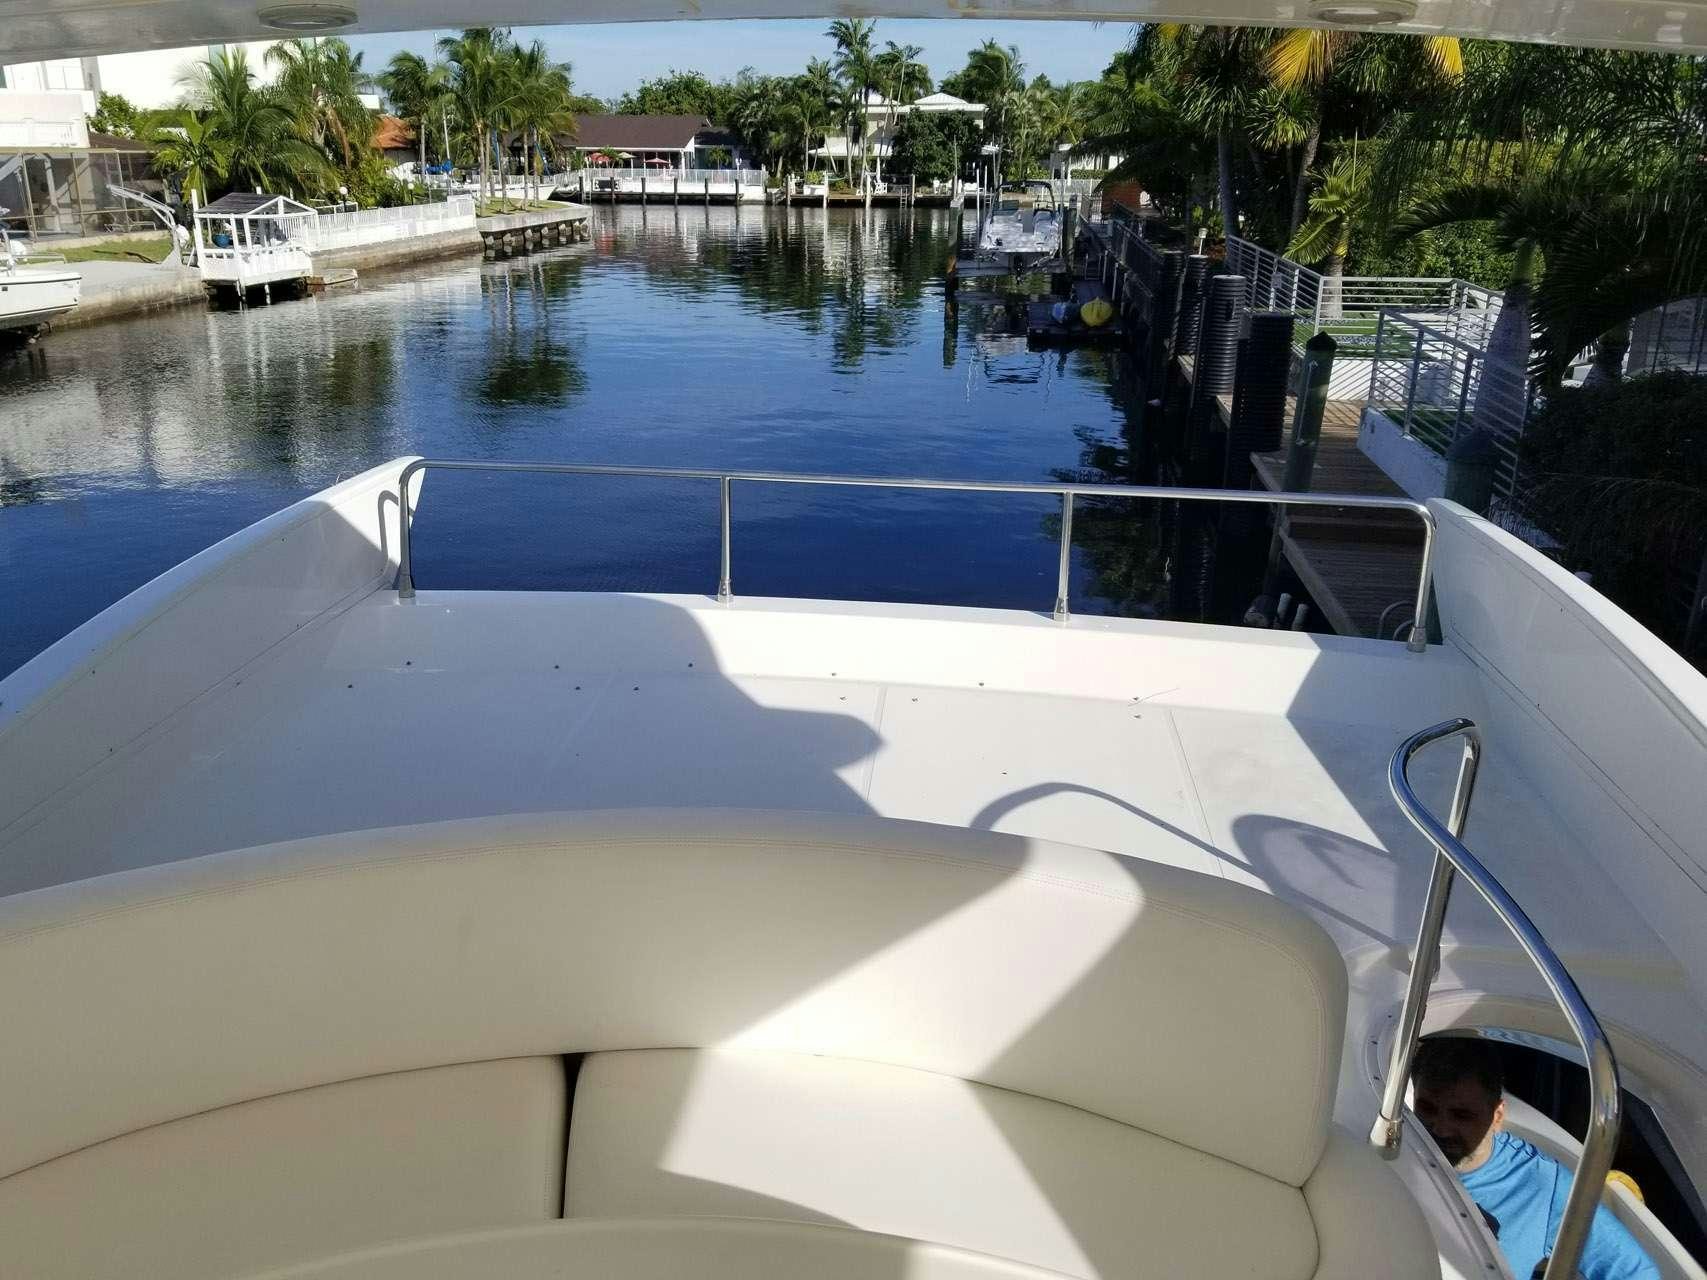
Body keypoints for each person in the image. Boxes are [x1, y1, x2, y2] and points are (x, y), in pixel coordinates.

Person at [1411, 1037, 1659, 1280]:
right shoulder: (1394, 1140)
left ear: (1497, 1116)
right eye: (1427, 1108)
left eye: (1461, 1115)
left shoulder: (1543, 1183)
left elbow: (1635, 1272)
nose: (1440, 1129)